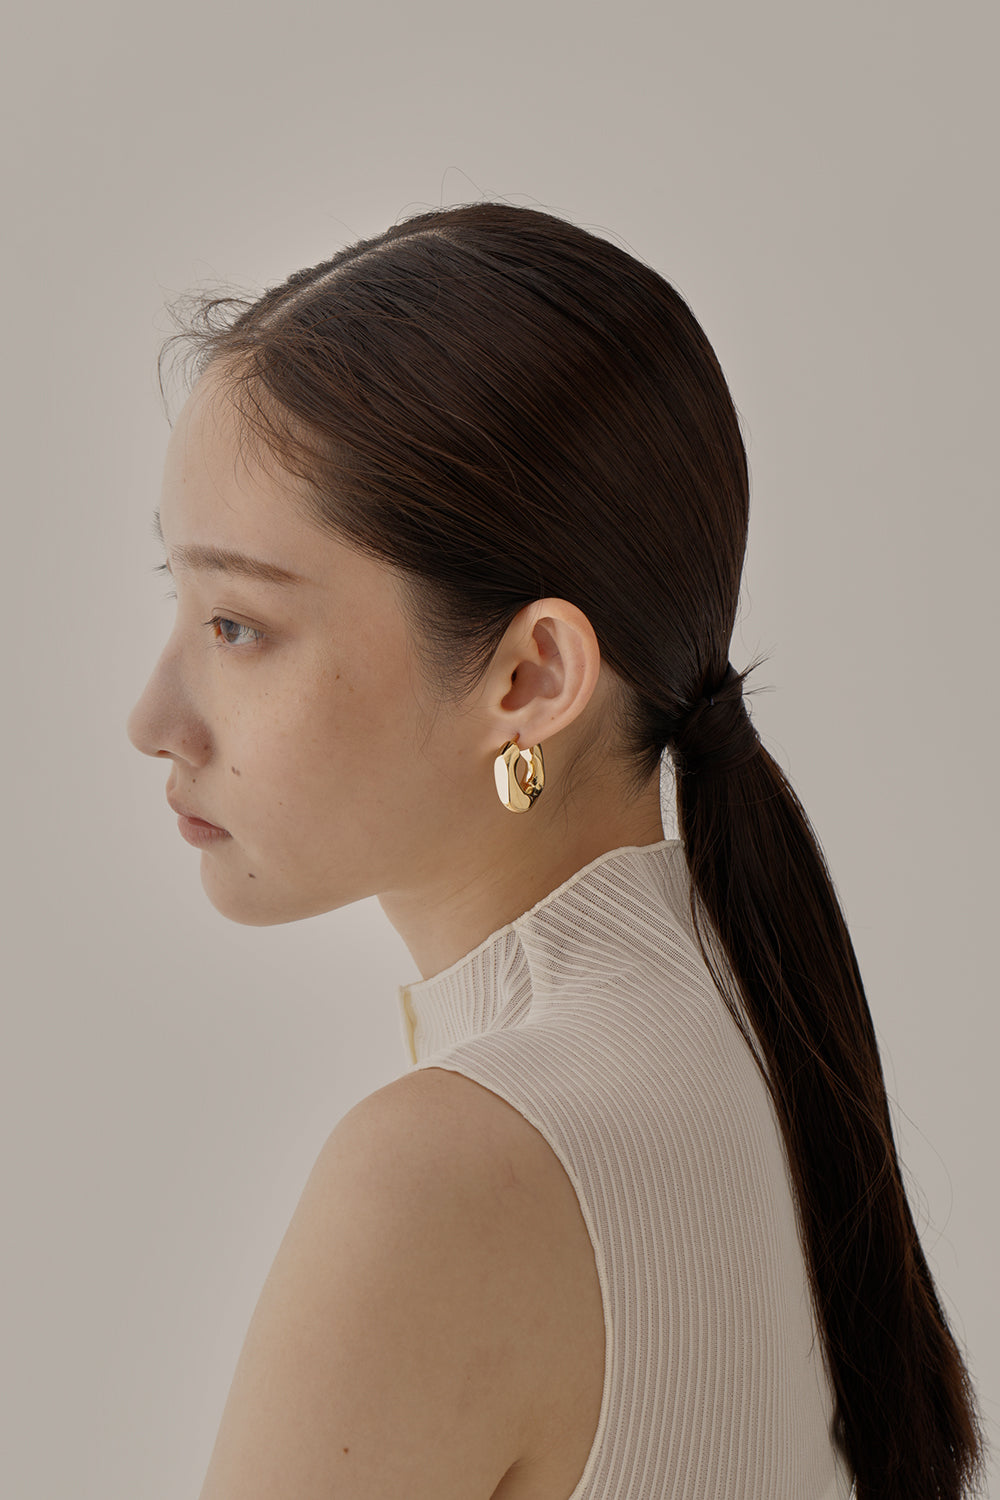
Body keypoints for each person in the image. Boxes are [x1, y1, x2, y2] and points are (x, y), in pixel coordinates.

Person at [127, 202, 984, 1500]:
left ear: (530, 679)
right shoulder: (749, 1029)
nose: (152, 718)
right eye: (180, 602)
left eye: (239, 624)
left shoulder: (448, 1172)